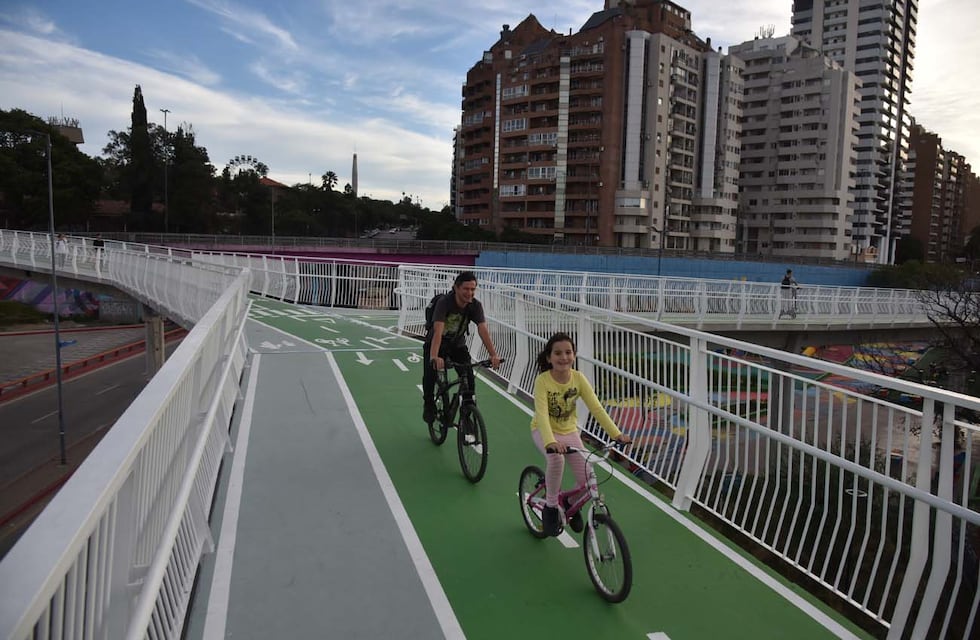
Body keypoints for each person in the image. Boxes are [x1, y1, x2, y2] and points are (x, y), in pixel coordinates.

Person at [530, 332, 632, 536]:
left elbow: (596, 408)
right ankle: (550, 507)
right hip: (544, 432)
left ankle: (568, 503)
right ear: (549, 358)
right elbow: (541, 414)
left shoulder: (578, 379)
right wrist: (550, 441)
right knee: (556, 460)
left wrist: (617, 434)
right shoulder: (543, 381)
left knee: (589, 477)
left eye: (568, 352)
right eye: (558, 353)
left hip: (569, 432)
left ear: (574, 355)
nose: (564, 357)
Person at [422, 271, 501, 424]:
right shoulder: (445, 303)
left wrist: (493, 354)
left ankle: (467, 416)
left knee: (469, 380)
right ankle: (429, 404)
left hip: (457, 344)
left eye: (473, 289)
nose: (469, 293)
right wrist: (434, 357)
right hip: (437, 344)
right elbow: (438, 331)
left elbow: (482, 329)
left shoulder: (475, 305)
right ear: (456, 288)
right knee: (430, 374)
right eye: (466, 289)